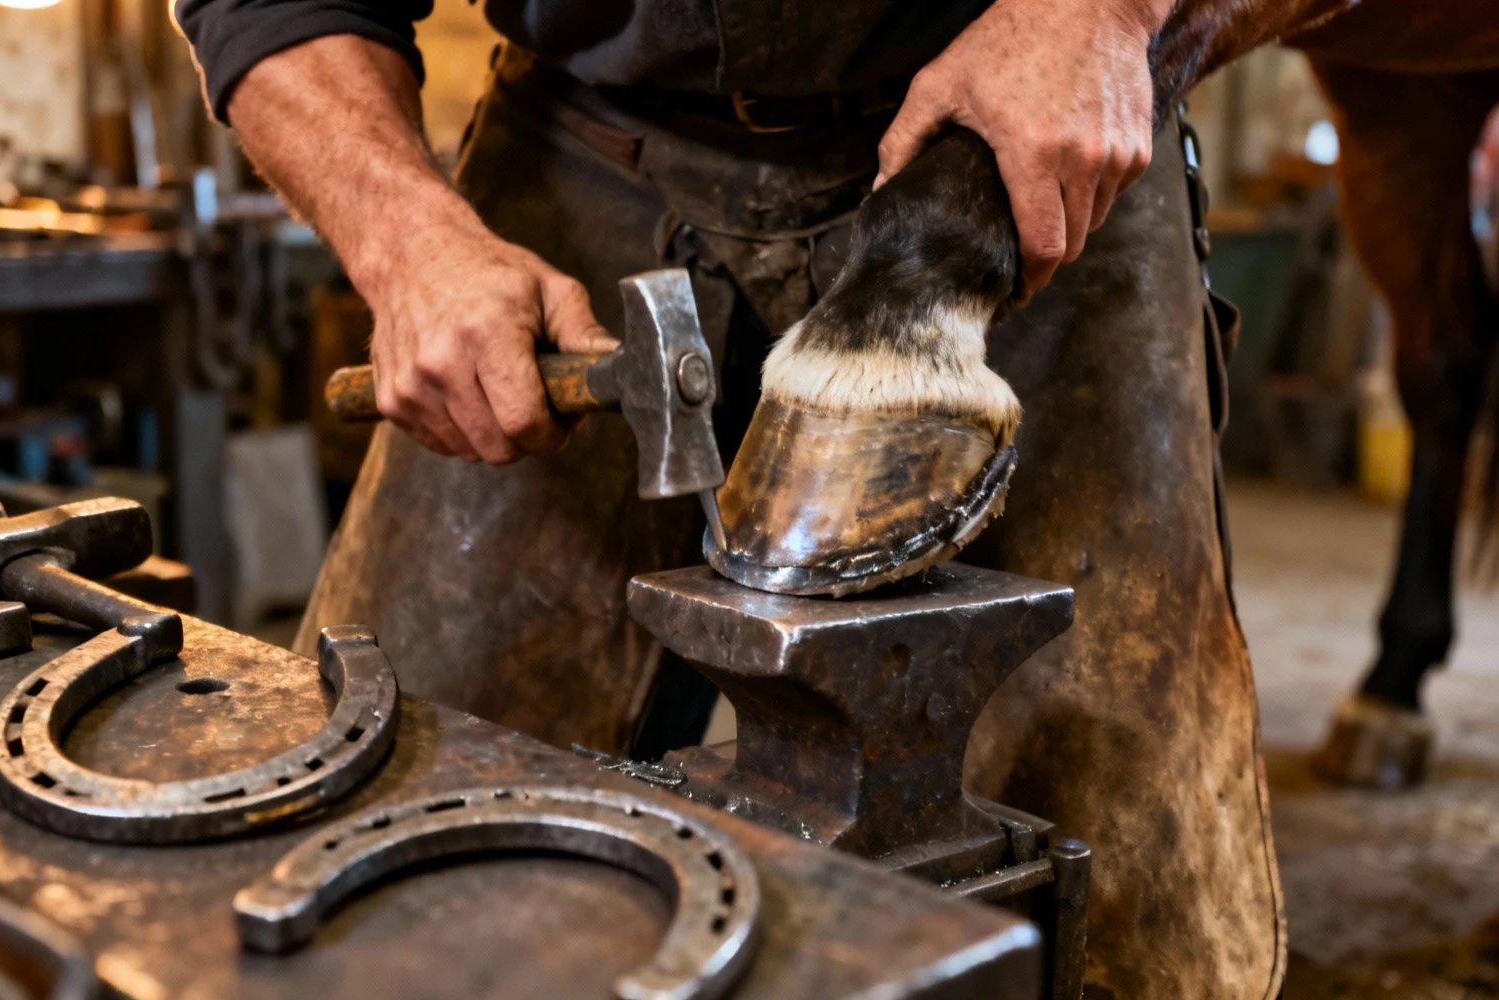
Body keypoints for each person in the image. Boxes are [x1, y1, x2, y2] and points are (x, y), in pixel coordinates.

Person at [174, 1, 1282, 995]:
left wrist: (1108, 18)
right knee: (366, 813)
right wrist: (404, 238)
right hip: (581, 158)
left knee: (1122, 900)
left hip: (1026, 147)